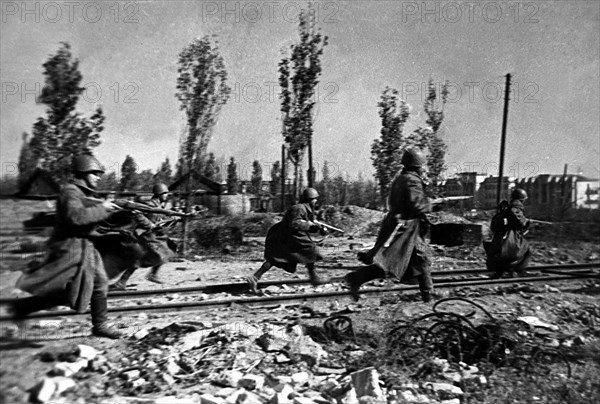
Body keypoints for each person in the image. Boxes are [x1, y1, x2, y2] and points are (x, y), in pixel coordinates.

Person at [13, 154, 123, 339]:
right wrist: (104, 208)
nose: (98, 177)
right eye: (95, 173)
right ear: (83, 172)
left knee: (99, 283)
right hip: (69, 248)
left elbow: (88, 221)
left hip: (84, 247)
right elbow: (77, 218)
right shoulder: (70, 192)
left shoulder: (82, 193)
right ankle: (23, 307)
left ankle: (100, 324)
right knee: (69, 291)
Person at [346, 147, 435, 303]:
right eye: (423, 166)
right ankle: (429, 297)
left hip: (401, 225)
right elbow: (416, 204)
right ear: (418, 166)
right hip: (406, 227)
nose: (424, 169)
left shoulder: (401, 178)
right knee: (410, 261)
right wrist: (433, 204)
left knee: (412, 261)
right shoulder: (412, 180)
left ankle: (428, 296)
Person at [247, 187, 328, 293]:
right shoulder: (299, 208)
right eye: (315, 199)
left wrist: (319, 229)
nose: (316, 201)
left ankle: (255, 277)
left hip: (289, 236)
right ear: (309, 199)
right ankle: (314, 278)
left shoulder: (304, 209)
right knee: (311, 251)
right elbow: (295, 223)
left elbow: (303, 225)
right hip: (286, 236)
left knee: (276, 259)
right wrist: (311, 225)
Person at [110, 183, 176, 289]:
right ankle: (123, 281)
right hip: (143, 235)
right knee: (143, 257)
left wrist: (171, 220)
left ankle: (150, 275)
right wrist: (149, 224)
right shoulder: (149, 204)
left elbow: (160, 221)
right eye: (165, 193)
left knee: (168, 248)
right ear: (160, 194)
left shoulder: (160, 206)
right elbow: (137, 214)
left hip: (153, 235)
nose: (167, 196)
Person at [485, 189, 531, 279]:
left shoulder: (508, 205)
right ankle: (518, 271)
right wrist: (526, 221)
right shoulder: (516, 205)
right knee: (525, 250)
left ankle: (501, 273)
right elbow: (517, 218)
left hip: (502, 234)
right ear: (522, 199)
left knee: (504, 254)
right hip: (511, 234)